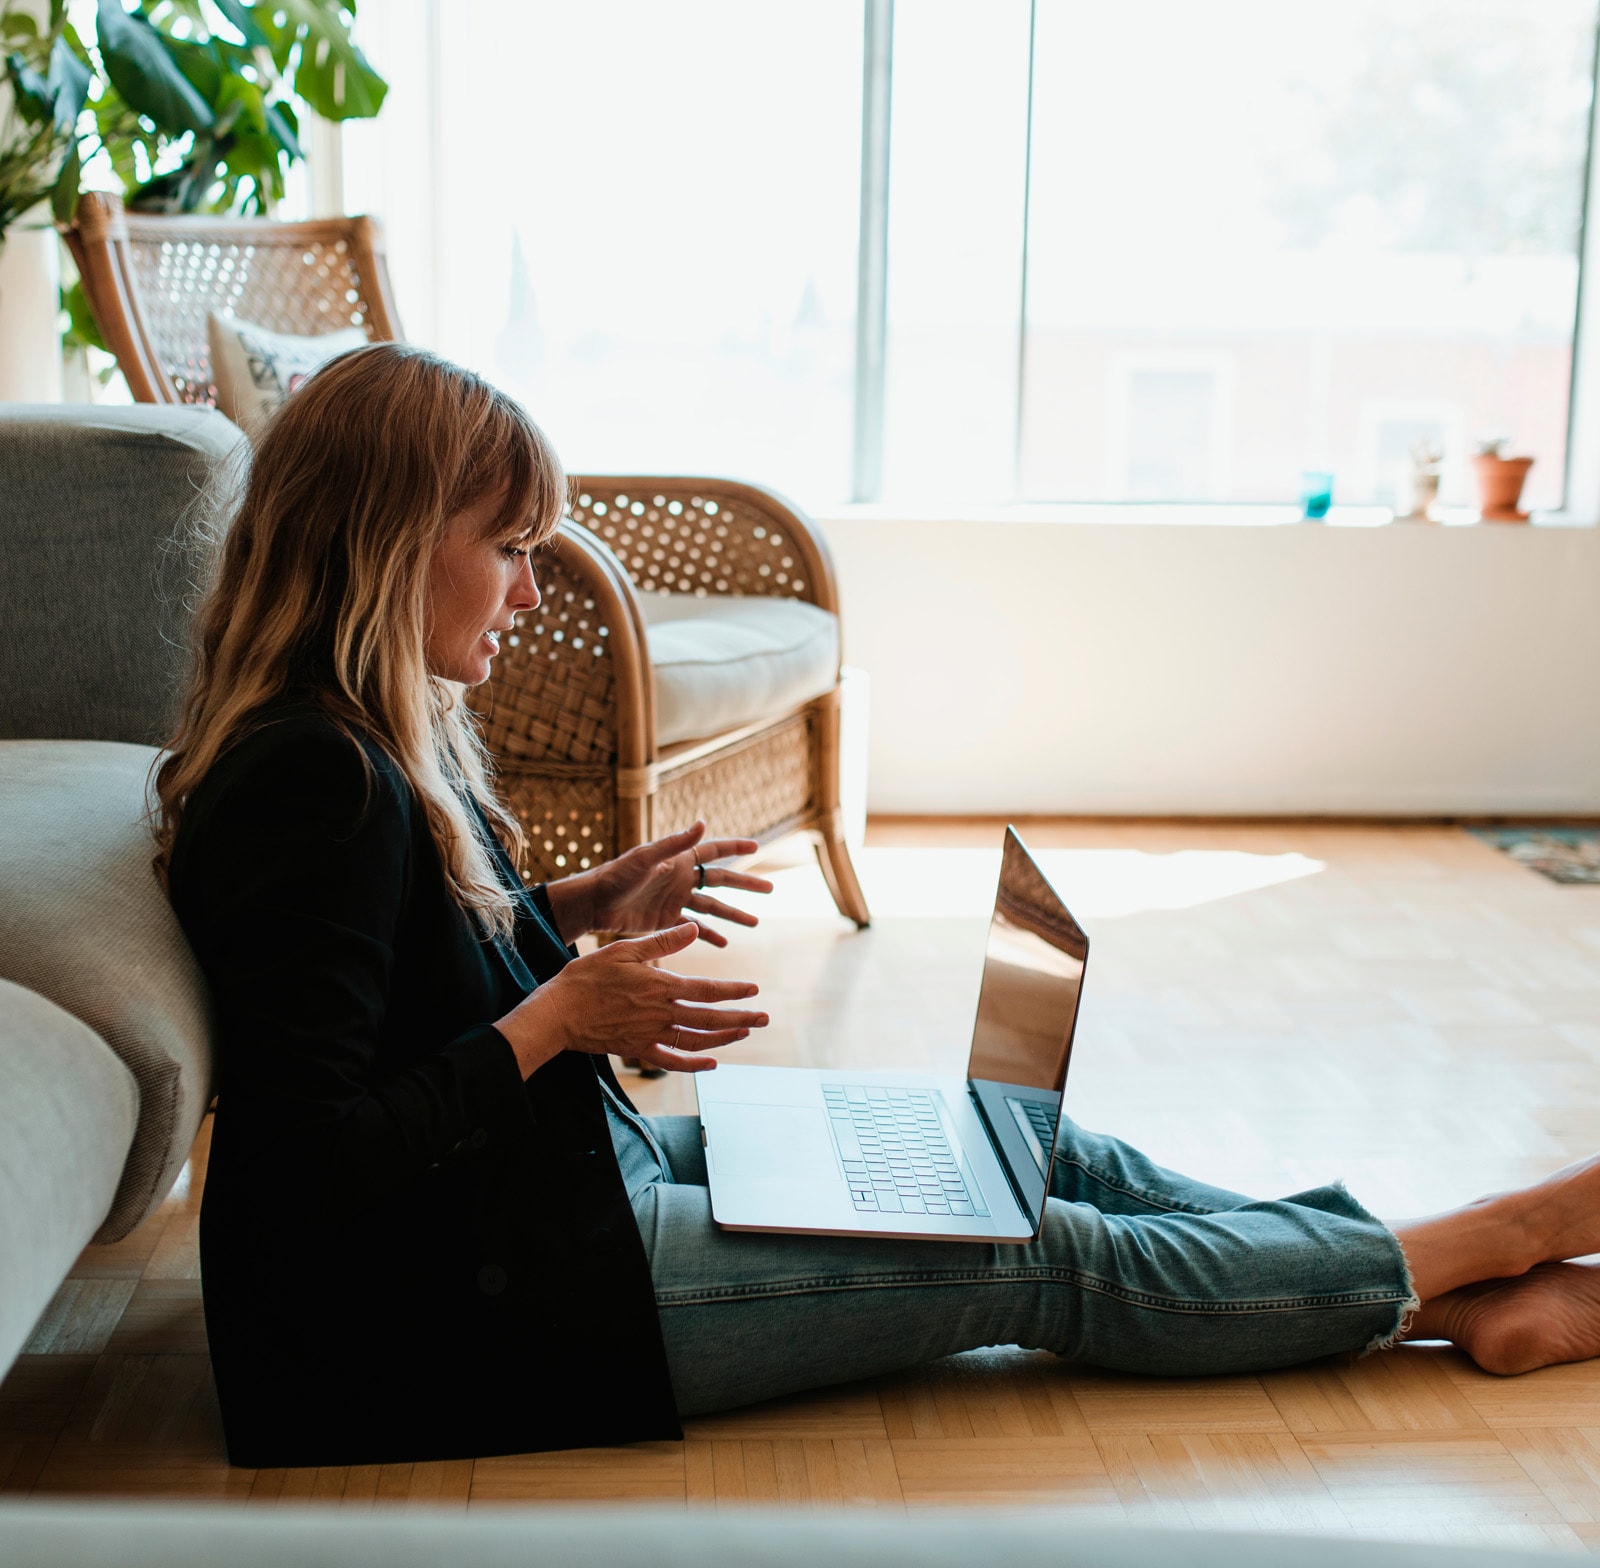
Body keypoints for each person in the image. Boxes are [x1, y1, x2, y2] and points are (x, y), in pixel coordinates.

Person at [159, 343, 1600, 1470]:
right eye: (513, 544)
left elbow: (386, 968)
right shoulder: (312, 783)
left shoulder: (350, 739)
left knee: (1033, 1148)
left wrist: (576, 907)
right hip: (461, 1322)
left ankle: (1416, 1289)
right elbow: (308, 1166)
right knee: (1028, 1251)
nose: (533, 589)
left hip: (545, 1204)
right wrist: (562, 1016)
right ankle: (1478, 1241)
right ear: (397, 542)